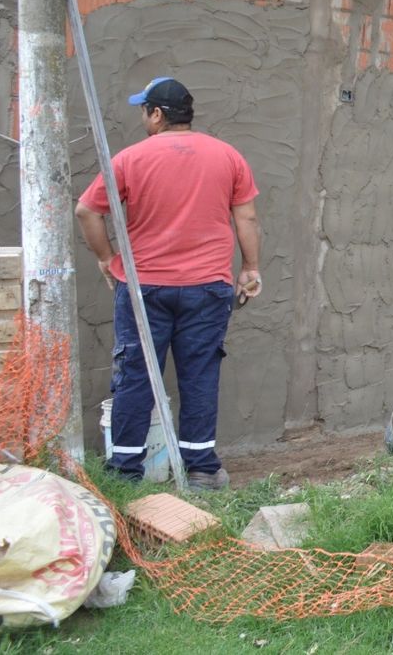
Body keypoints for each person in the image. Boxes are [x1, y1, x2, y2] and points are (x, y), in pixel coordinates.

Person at [75, 77, 261, 490]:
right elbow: (246, 218)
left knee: (137, 374)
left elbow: (87, 211)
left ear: (157, 114)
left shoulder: (129, 159)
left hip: (145, 288)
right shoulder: (228, 156)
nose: (143, 116)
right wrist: (250, 267)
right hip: (207, 287)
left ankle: (124, 474)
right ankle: (202, 470)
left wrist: (107, 260)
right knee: (199, 374)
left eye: (144, 110)